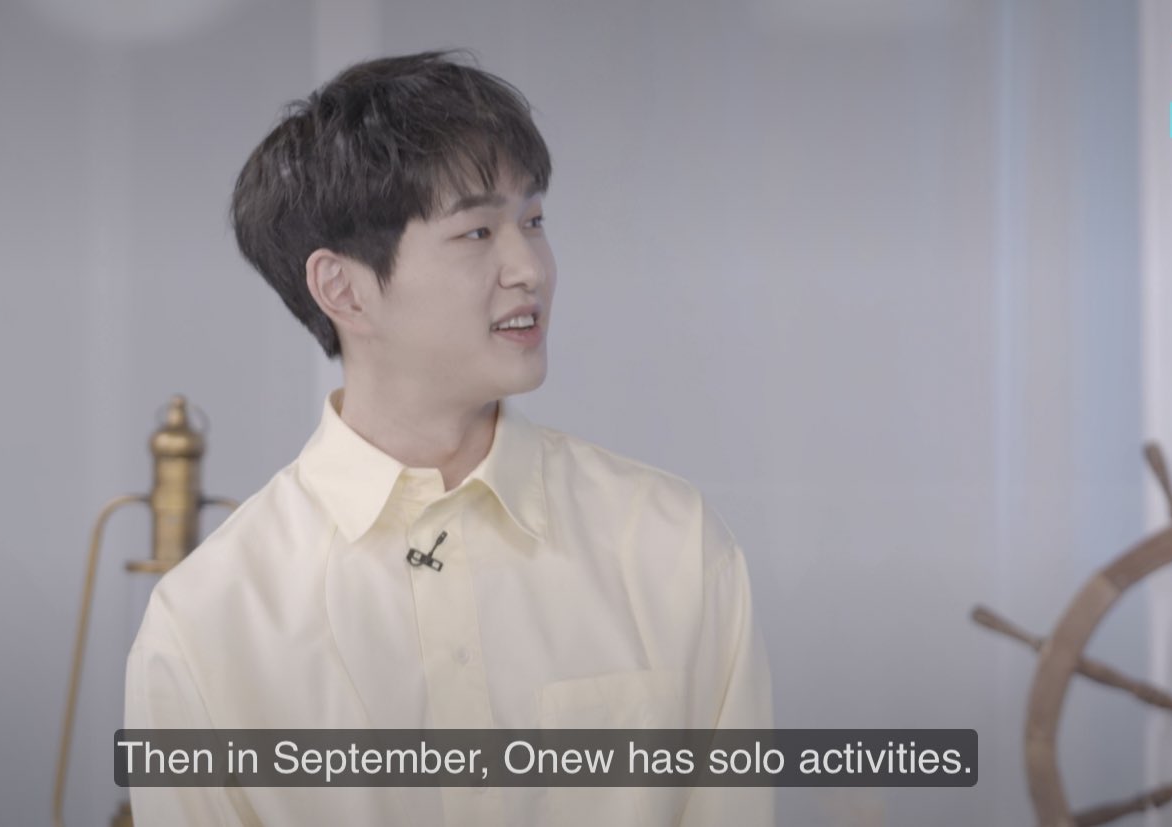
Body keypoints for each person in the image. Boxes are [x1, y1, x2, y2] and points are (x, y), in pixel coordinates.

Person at [124, 50, 774, 826]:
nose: (529, 267)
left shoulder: (670, 544)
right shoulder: (209, 620)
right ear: (342, 288)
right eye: (476, 231)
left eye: (533, 221)